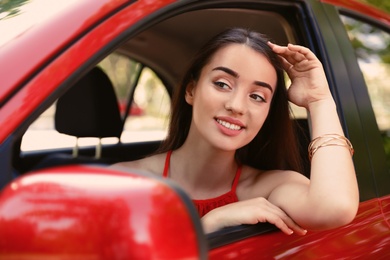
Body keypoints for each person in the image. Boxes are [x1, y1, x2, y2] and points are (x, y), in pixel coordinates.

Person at [113, 28, 359, 235]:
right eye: (222, 84)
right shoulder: (123, 182)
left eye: (257, 96)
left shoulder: (268, 188)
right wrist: (209, 225)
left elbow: (335, 207)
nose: (237, 106)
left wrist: (319, 100)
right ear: (191, 90)